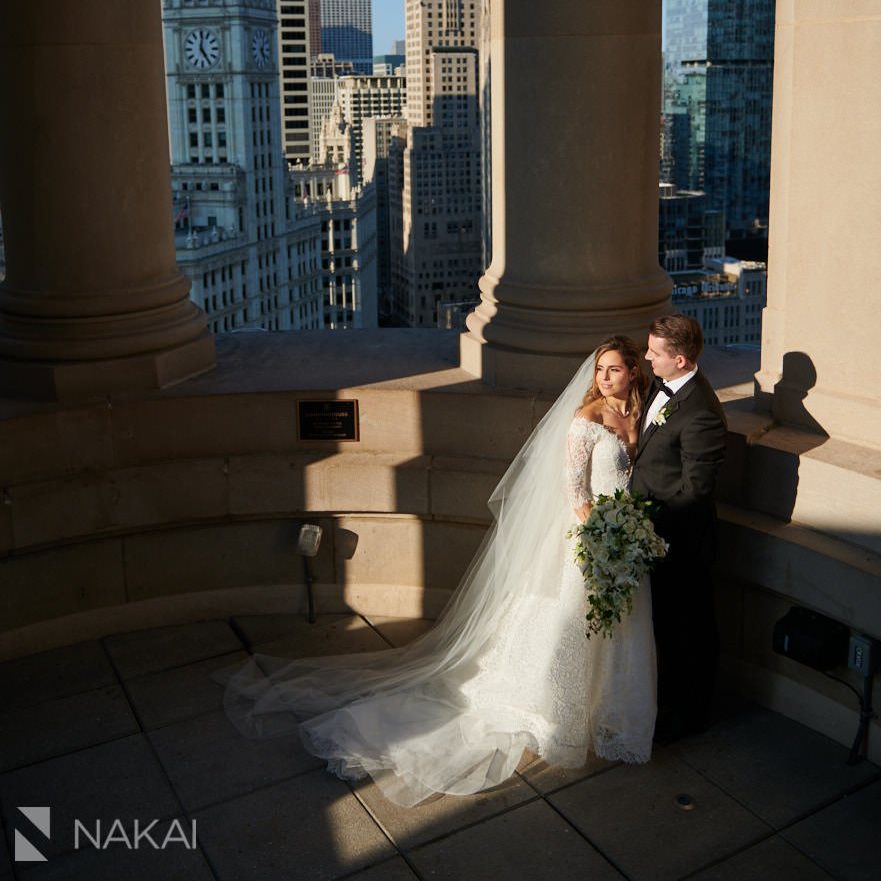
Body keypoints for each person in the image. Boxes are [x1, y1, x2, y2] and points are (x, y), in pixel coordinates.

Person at [214, 336, 657, 807]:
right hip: (590, 542)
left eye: (613, 369)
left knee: (619, 630)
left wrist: (627, 536)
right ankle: (556, 715)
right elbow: (575, 494)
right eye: (600, 370)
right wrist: (606, 539)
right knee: (571, 628)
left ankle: (607, 713)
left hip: (623, 539)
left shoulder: (640, 413)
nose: (604, 377)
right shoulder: (584, 421)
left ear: (633, 371)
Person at [631, 314, 727, 742]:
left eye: (655, 353)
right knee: (661, 632)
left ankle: (686, 720)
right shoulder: (662, 384)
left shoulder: (701, 415)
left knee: (684, 635)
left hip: (678, 545)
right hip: (652, 534)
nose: (647, 358)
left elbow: (695, 493)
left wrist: (648, 532)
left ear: (682, 359)